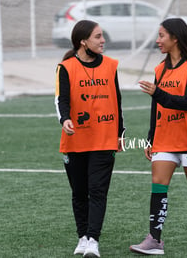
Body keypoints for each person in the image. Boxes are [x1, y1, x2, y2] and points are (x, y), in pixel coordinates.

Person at [129, 18, 187, 255]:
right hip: (165, 138)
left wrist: (158, 92)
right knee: (158, 184)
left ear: (175, 38)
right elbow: (157, 107)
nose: (158, 40)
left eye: (162, 35)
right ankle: (154, 239)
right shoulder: (160, 69)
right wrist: (150, 137)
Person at [55, 20, 125, 257]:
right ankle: (82, 237)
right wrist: (65, 119)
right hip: (75, 139)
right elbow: (60, 99)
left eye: (102, 35)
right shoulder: (65, 67)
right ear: (83, 41)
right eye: (97, 36)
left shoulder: (111, 65)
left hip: (104, 138)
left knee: (97, 191)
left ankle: (93, 240)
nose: (103, 40)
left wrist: (120, 133)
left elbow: (117, 100)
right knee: (79, 192)